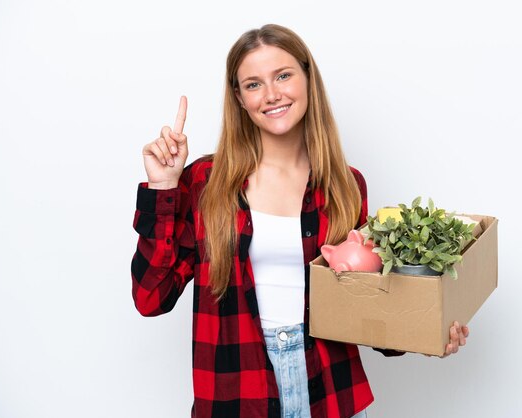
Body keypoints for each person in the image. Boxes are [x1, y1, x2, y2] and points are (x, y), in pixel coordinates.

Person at [131, 24, 469, 418]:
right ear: (239, 98)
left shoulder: (345, 185)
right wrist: (163, 187)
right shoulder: (206, 182)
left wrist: (429, 330)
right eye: (253, 84)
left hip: (329, 390)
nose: (272, 94)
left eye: (283, 76)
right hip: (238, 394)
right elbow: (150, 298)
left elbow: (365, 303)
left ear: (308, 78)